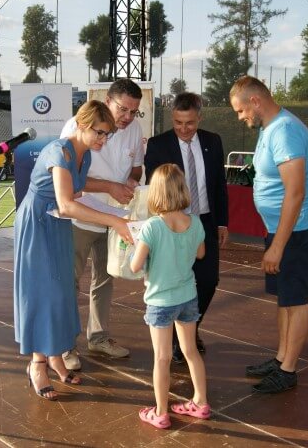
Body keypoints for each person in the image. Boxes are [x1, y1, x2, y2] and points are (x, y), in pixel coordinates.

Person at [14, 100, 134, 401]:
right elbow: (67, 203)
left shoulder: (84, 156)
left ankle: (55, 357)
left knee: (63, 290)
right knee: (45, 292)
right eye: (99, 132)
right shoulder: (59, 151)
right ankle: (37, 364)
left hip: (55, 222)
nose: (103, 140)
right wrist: (115, 221)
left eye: (107, 134)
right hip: (38, 222)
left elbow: (78, 186)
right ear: (81, 124)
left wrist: (109, 187)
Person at [229, 75, 308, 394]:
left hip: (298, 230)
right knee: (285, 298)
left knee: (295, 300)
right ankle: (282, 357)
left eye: (241, 111)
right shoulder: (270, 128)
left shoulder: (284, 131)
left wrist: (277, 246)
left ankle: (288, 370)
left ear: (255, 101)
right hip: (283, 229)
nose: (241, 117)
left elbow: (295, 193)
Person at [59, 78, 144, 369]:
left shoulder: (134, 129)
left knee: (106, 278)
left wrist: (132, 181)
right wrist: (109, 187)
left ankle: (98, 337)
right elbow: (71, 182)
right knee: (70, 281)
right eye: (123, 109)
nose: (128, 117)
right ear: (107, 101)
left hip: (115, 219)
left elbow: (136, 168)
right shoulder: (76, 127)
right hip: (81, 215)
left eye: (134, 112)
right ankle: (65, 345)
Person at [144, 92, 228, 364]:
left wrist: (222, 222)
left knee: (208, 280)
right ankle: (172, 336)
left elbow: (219, 185)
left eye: (189, 123)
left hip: (203, 221)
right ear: (173, 118)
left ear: (199, 118)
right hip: (170, 224)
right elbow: (152, 189)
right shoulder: (158, 145)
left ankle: (190, 330)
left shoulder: (213, 142)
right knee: (171, 282)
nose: (183, 128)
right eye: (178, 122)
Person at [130, 163, 210, 429]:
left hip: (160, 302)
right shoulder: (196, 222)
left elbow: (134, 266)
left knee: (162, 357)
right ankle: (200, 402)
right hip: (188, 296)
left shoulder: (152, 227)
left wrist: (135, 244)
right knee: (190, 351)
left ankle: (161, 412)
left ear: (156, 193)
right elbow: (200, 254)